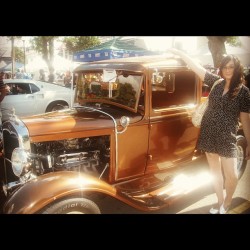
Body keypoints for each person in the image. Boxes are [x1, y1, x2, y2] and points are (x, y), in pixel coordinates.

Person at [169, 48, 250, 214]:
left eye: (231, 67)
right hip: (208, 132)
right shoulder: (216, 82)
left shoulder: (244, 92)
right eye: (225, 67)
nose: (228, 70)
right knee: (215, 172)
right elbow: (196, 66)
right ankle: (220, 201)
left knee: (232, 176)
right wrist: (179, 52)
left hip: (227, 137)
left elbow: (245, 119)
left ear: (237, 69)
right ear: (221, 68)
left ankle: (227, 202)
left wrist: (249, 141)